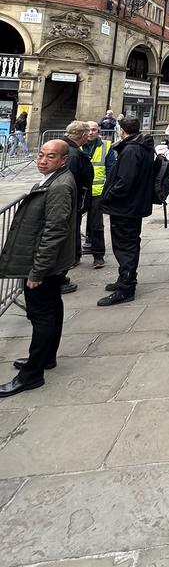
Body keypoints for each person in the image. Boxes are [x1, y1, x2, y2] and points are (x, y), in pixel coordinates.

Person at [0, 140, 77, 396]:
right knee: (52, 309)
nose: (42, 160)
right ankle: (46, 358)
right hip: (47, 264)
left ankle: (32, 373)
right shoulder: (54, 180)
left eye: (50, 157)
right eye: (41, 155)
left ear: (63, 160)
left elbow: (54, 231)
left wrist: (37, 271)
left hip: (42, 264)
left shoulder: (60, 186)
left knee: (42, 316)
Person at [97, 117, 155, 306]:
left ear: (121, 130)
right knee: (129, 244)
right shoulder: (141, 146)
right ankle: (125, 278)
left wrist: (108, 196)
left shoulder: (131, 150)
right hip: (133, 205)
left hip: (126, 206)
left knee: (125, 246)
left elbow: (124, 182)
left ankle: (126, 287)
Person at [62, 120, 94, 284]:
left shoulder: (69, 149)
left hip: (73, 199)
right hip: (70, 200)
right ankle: (69, 259)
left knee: (72, 227)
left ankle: (73, 256)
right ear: (82, 136)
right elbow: (71, 180)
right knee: (69, 228)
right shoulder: (73, 154)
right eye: (87, 134)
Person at [82, 120, 116, 269]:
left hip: (97, 191)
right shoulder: (77, 145)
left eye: (94, 130)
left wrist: (108, 189)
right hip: (80, 190)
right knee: (73, 223)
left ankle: (98, 255)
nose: (91, 132)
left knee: (96, 224)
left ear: (98, 131)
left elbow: (110, 169)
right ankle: (75, 254)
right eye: (88, 130)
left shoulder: (105, 147)